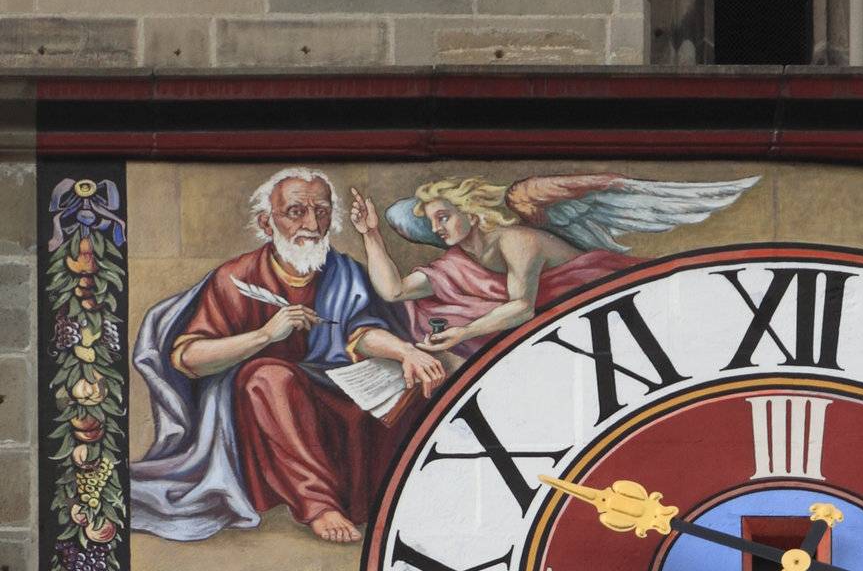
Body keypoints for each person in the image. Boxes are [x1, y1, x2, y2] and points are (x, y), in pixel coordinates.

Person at [130, 169, 448, 545]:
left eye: (322, 212)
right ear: (268, 222)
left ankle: (393, 496)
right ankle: (318, 504)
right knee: (268, 377)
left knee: (414, 377)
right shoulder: (235, 278)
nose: (313, 225)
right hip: (263, 414)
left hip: (334, 391)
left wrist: (406, 351)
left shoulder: (343, 272)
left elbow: (360, 332)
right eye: (296, 212)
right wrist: (266, 334)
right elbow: (190, 358)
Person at [351, 170, 761, 358]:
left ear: (472, 213)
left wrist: (463, 332)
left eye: (444, 217)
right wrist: (370, 234)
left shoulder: (517, 239)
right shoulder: (458, 263)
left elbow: (522, 307)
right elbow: (394, 291)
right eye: (432, 224)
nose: (438, 229)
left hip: (615, 304)